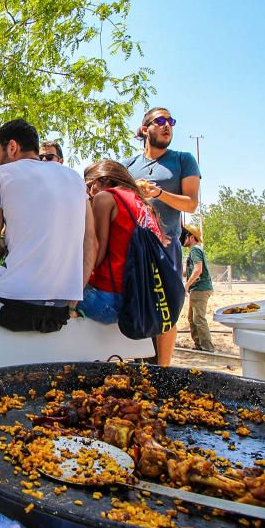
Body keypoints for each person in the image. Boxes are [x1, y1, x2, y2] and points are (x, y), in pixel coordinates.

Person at [0, 119, 96, 332]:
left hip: (14, 298)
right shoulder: (75, 178)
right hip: (60, 305)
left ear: (12, 147)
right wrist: (73, 298)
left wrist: (2, 247)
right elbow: (91, 242)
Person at [122, 107, 199, 362]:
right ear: (145, 129)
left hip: (166, 248)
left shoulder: (183, 160)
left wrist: (159, 194)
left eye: (171, 121)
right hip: (133, 249)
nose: (168, 125)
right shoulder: (128, 166)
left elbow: (190, 203)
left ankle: (162, 372)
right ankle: (135, 366)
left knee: (167, 312)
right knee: (135, 304)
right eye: (160, 121)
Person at [81, 160, 176, 365]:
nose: (89, 192)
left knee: (51, 300)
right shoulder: (145, 206)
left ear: (103, 178)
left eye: (89, 185)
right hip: (141, 305)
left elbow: (95, 254)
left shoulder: (105, 198)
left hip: (107, 304)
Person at [182, 224, 215, 352]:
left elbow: (198, 270)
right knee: (192, 318)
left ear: (191, 237)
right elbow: (185, 273)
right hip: (197, 289)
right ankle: (199, 345)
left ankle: (207, 348)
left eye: (185, 236)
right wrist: (185, 262)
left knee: (198, 319)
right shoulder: (192, 252)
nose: (183, 239)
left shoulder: (195, 249)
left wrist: (187, 285)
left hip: (200, 288)